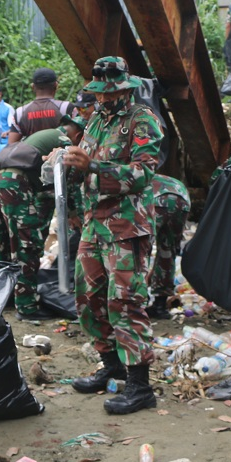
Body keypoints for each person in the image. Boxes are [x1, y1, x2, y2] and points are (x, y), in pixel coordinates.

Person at [63, 57, 163, 416]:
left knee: (125, 301)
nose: (103, 100)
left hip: (125, 226)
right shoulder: (95, 122)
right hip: (94, 223)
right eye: (99, 94)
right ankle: (111, 365)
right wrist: (66, 165)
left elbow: (142, 174)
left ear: (125, 88)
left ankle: (140, 385)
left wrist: (92, 167)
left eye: (110, 94)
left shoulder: (142, 120)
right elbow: (83, 166)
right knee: (87, 296)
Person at [0, 116, 84, 321]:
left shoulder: (44, 136)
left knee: (0, 243)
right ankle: (27, 306)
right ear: (78, 135)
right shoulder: (65, 143)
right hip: (15, 184)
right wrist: (75, 214)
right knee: (27, 246)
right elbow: (69, 182)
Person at [146, 174, 190, 319]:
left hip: (157, 201)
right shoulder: (164, 177)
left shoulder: (134, 174)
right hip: (182, 201)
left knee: (138, 251)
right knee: (168, 251)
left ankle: (136, 304)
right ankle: (159, 306)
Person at [8, 68, 73, 142]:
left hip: (31, 152)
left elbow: (11, 144)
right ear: (56, 85)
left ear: (33, 87)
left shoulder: (20, 112)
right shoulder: (65, 108)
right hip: (61, 153)